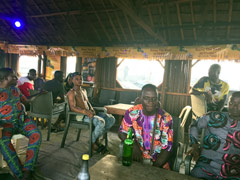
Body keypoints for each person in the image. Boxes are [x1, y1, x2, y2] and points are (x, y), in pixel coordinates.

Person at [118, 84, 173, 169]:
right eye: (146, 98)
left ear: (158, 100)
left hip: (159, 161)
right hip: (137, 157)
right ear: (140, 99)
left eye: (154, 98)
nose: (150, 102)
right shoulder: (132, 112)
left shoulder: (166, 118)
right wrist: (134, 146)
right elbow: (122, 132)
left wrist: (152, 169)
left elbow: (167, 148)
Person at [0, 68, 42, 180]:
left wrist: (38, 93)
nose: (16, 78)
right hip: (5, 125)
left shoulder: (15, 90)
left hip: (22, 120)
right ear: (4, 78)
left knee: (36, 134)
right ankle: (20, 174)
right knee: (3, 142)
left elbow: (26, 100)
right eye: (13, 76)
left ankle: (28, 169)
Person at [189, 91, 240, 179]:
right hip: (206, 167)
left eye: (239, 103)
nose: (235, 106)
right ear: (227, 103)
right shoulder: (214, 117)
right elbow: (194, 125)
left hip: (233, 172)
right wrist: (194, 145)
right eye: (231, 102)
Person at [67, 72, 115, 153]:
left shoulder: (84, 90)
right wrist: (84, 111)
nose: (79, 80)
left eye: (81, 79)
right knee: (101, 122)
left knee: (111, 119)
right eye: (77, 79)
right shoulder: (72, 92)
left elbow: (87, 102)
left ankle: (94, 139)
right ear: (72, 80)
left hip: (89, 113)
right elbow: (72, 107)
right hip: (81, 116)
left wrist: (92, 109)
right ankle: (92, 143)